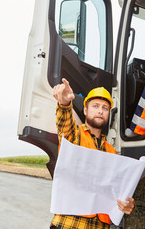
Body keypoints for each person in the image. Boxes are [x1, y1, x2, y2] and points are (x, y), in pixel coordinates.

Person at [51, 78, 135, 229]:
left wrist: (126, 204)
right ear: (85, 110)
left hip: (100, 225)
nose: (100, 111)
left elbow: (116, 192)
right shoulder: (74, 136)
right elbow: (64, 123)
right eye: (95, 106)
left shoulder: (111, 151)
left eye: (105, 108)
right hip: (69, 224)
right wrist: (64, 104)